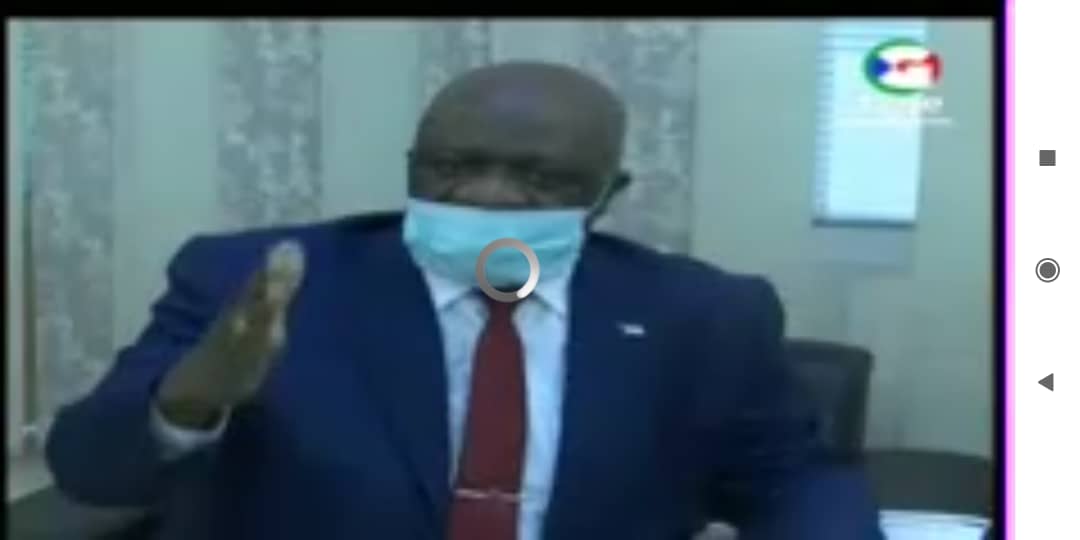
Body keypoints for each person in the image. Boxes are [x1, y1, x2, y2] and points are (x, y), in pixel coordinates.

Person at [46, 61, 883, 540]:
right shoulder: (261, 280)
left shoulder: (702, 315)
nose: (488, 194)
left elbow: (793, 480)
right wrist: (190, 398)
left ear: (608, 192)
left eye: (539, 177)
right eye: (452, 167)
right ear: (412, 165)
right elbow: (89, 472)